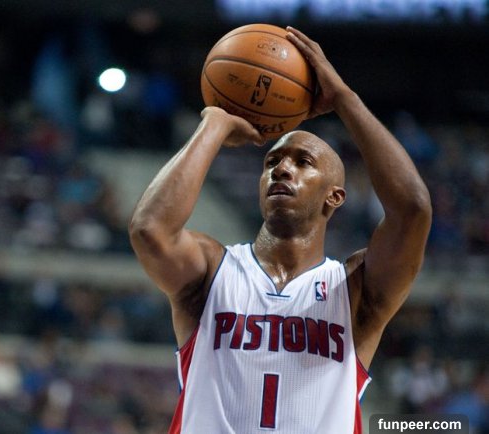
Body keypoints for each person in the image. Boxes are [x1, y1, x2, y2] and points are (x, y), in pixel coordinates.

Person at [128, 26, 432, 434]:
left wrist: (344, 99)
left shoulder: (355, 291)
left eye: (303, 162)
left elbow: (412, 210)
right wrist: (215, 123)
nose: (282, 169)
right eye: (272, 162)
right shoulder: (212, 270)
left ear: (334, 197)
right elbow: (149, 229)